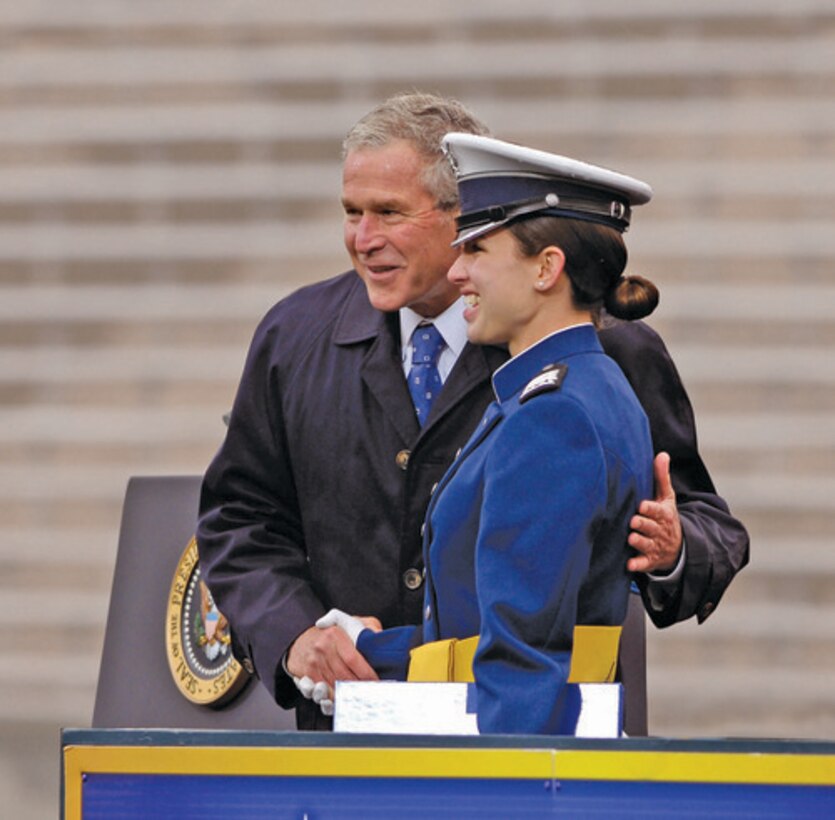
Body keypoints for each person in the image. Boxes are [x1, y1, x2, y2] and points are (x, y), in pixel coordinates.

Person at [196, 92, 748, 731]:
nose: (363, 239)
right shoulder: (295, 336)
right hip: (350, 741)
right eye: (352, 212)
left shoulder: (605, 350)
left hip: (524, 735)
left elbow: (708, 523)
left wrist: (674, 549)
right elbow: (239, 519)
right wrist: (295, 637)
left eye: (390, 212)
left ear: (464, 217)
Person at [317, 132, 659, 734]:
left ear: (547, 267)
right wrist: (371, 653)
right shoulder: (576, 386)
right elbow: (481, 632)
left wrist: (502, 790)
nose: (456, 271)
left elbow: (522, 659)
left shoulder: (554, 416)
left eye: (476, 249)